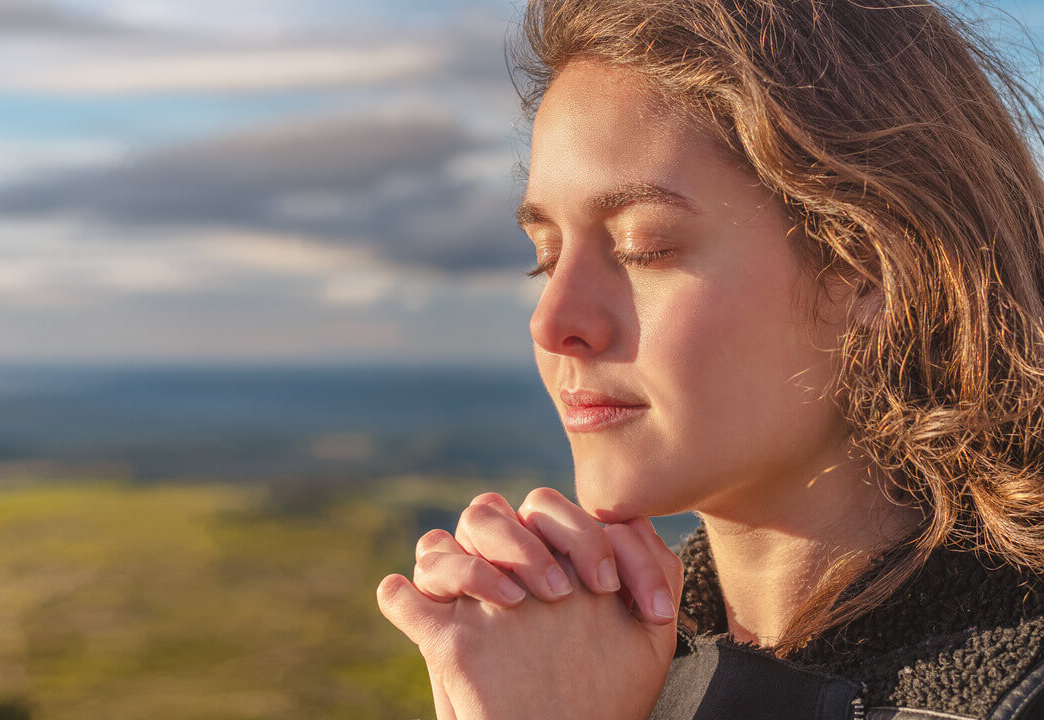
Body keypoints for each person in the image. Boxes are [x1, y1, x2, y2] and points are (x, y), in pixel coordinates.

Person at [376, 1, 1044, 718]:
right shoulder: (602, 673)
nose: (553, 321)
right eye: (545, 258)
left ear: (869, 265)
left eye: (644, 249)